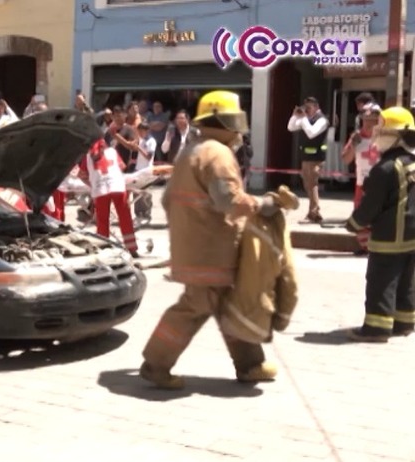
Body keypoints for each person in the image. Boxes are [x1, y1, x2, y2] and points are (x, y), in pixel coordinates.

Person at [140, 90, 283, 390]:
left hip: (195, 245)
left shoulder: (191, 151)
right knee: (195, 306)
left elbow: (167, 199)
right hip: (210, 249)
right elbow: (228, 200)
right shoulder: (217, 154)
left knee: (228, 305)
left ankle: (250, 364)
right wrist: (263, 205)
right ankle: (156, 363)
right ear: (225, 122)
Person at [346, 106, 415, 342]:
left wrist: (353, 224)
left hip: (388, 238)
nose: (376, 134)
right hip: (411, 237)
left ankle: (376, 329)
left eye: (381, 130)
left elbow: (371, 206)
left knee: (381, 282)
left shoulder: (384, 169)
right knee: (406, 283)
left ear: (394, 134)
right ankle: (404, 323)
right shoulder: (411, 162)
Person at [78, 139, 140, 258]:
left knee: (102, 221)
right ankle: (132, 248)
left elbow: (82, 175)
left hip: (100, 190)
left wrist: (92, 184)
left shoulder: (88, 157)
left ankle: (103, 247)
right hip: (117, 187)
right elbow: (122, 167)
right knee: (125, 218)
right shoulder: (112, 151)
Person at [341, 106, 382, 254]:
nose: (369, 124)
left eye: (373, 120)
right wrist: (353, 145)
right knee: (361, 215)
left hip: (381, 184)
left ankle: (377, 247)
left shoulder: (384, 137)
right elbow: (346, 160)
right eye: (366, 120)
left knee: (380, 215)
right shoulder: (356, 137)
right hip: (361, 184)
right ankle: (364, 247)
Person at [287, 96, 329, 223]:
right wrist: (295, 116)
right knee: (307, 184)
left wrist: (303, 118)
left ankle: (314, 212)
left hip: (316, 158)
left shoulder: (322, 120)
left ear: (316, 107)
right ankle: (314, 212)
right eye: (305, 108)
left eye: (309, 108)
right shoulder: (306, 119)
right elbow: (290, 127)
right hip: (306, 157)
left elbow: (311, 133)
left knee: (312, 184)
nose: (307, 110)